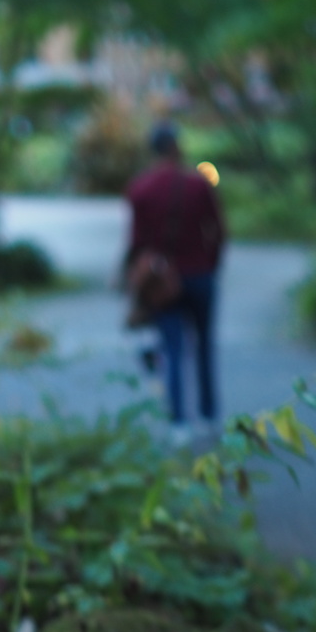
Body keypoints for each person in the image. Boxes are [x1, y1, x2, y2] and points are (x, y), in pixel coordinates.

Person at [125, 124, 226, 446]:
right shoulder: (199, 186)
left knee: (171, 349)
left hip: (162, 281)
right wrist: (209, 265)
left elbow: (136, 242)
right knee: (204, 346)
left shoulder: (140, 189)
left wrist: (135, 278)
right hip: (200, 276)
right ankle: (209, 417)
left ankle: (179, 423)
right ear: (176, 147)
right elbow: (220, 231)